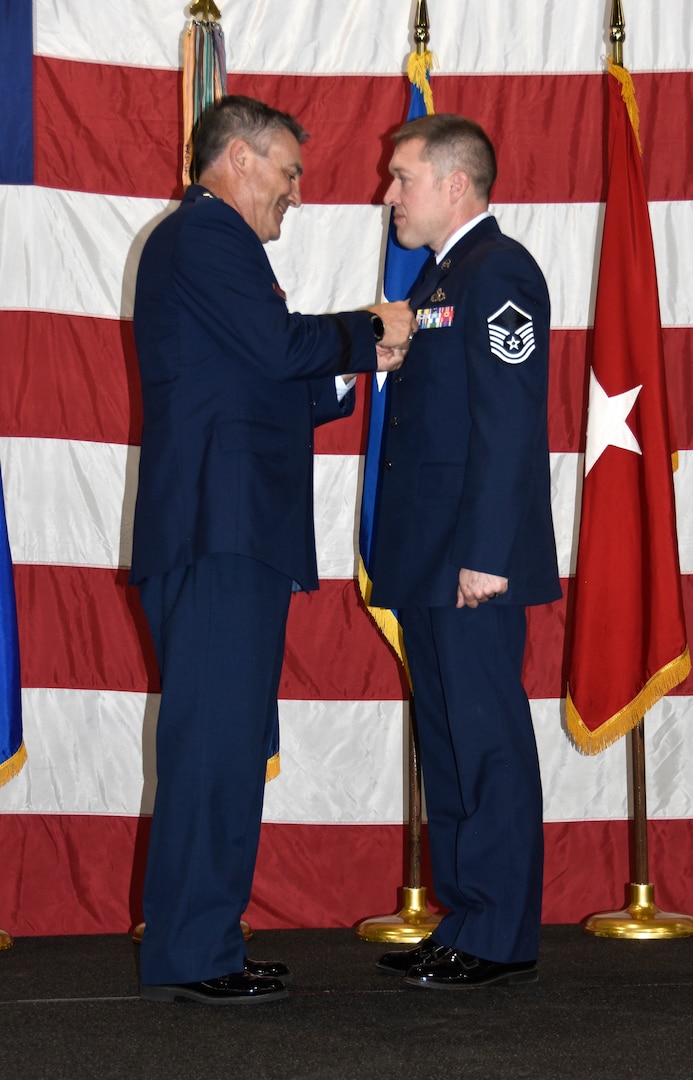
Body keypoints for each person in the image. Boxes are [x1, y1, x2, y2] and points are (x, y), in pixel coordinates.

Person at [130, 95, 415, 1006]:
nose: (297, 190)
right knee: (213, 748)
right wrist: (367, 332)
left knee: (225, 744)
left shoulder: (211, 247)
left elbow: (263, 374)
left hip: (230, 534)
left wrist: (348, 362)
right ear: (241, 159)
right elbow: (271, 343)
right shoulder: (208, 237)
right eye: (289, 171)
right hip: (219, 533)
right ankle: (192, 952)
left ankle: (205, 938)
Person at [368, 114, 561, 988]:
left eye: (402, 177)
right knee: (447, 743)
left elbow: (510, 424)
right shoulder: (445, 276)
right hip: (429, 556)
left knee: (485, 743)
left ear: (455, 182)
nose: (389, 194)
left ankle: (500, 932)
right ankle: (469, 916)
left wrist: (488, 553)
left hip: (470, 561)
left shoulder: (501, 271)